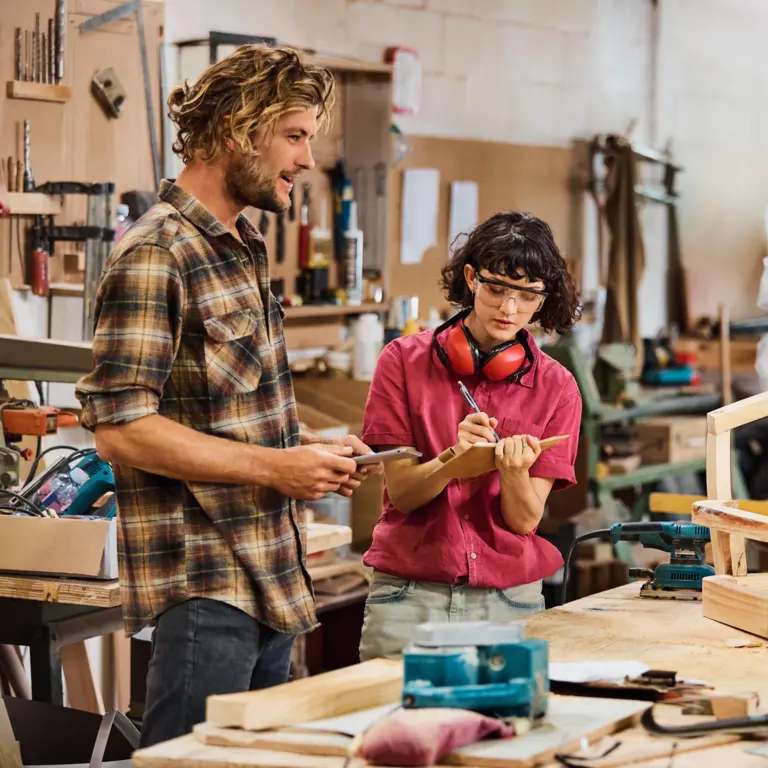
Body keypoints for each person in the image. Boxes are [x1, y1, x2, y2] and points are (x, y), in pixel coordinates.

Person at [74, 45, 380, 746]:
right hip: (206, 580)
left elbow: (222, 409)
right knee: (191, 764)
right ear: (241, 131)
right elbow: (121, 430)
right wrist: (277, 469)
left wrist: (305, 447)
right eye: (295, 136)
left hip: (272, 569)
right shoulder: (157, 253)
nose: (306, 160)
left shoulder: (241, 243)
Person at [358, 211, 583, 661]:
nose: (508, 310)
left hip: (509, 601)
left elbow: (524, 522)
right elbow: (401, 493)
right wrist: (452, 461)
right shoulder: (402, 361)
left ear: (543, 298)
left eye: (526, 297)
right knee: (397, 726)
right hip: (408, 597)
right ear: (471, 278)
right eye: (497, 289)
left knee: (507, 725)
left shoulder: (557, 387)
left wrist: (514, 472)